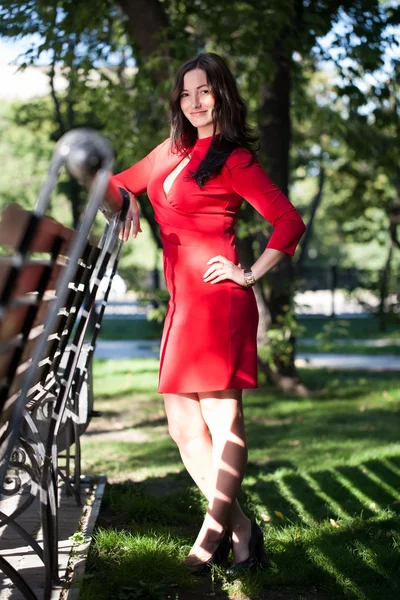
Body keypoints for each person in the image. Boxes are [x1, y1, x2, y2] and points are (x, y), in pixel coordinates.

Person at [111, 52, 306, 576]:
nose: (195, 102)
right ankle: (242, 528)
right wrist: (128, 197)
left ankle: (213, 533)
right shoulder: (170, 151)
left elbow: (289, 222)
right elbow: (110, 185)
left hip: (219, 303)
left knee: (223, 420)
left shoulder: (233, 158)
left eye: (206, 91)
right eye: (186, 92)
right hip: (182, 307)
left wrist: (249, 273)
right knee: (182, 428)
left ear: (222, 95)